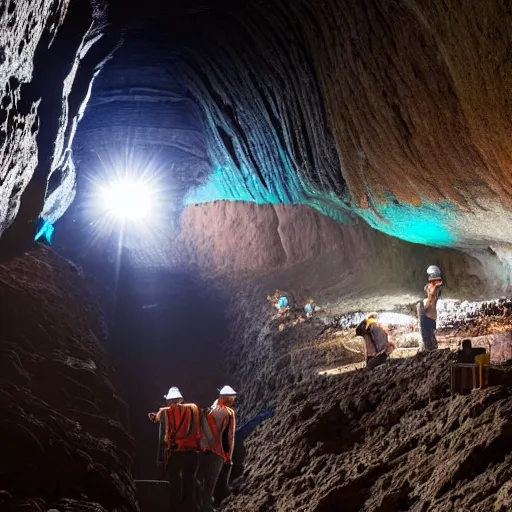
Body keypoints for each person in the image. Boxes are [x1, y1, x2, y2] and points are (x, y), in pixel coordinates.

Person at [148, 387, 201, 507]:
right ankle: (189, 506)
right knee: (189, 479)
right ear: (180, 399)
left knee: (175, 481)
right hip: (192, 451)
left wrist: (160, 459)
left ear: (168, 400)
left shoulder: (165, 411)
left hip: (175, 452)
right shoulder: (193, 408)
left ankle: (175, 507)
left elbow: (159, 429)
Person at [199, 385, 237, 505]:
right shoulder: (228, 412)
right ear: (229, 399)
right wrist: (228, 456)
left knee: (207, 480)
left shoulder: (212, 408)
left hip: (205, 449)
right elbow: (229, 436)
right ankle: (207, 506)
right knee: (210, 484)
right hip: (218, 451)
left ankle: (216, 497)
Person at [417, 265, 443, 351]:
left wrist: (422, 310)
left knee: (428, 340)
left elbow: (430, 301)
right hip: (432, 317)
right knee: (430, 337)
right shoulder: (436, 288)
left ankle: (430, 350)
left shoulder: (433, 289)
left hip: (428, 317)